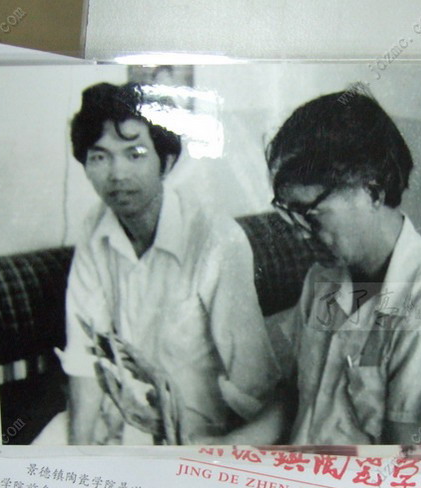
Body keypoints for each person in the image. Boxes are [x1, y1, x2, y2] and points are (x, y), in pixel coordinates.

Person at [266, 88, 421, 445]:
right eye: (289, 213)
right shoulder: (324, 279)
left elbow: (404, 464)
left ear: (372, 192)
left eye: (309, 214)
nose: (299, 232)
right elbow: (297, 401)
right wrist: (218, 447)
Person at [58, 82, 282, 445]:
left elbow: (255, 384)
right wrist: (79, 454)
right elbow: (85, 357)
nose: (117, 174)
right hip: (117, 423)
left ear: (166, 161)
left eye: (135, 154)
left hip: (196, 437)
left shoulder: (215, 239)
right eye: (99, 157)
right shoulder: (94, 228)